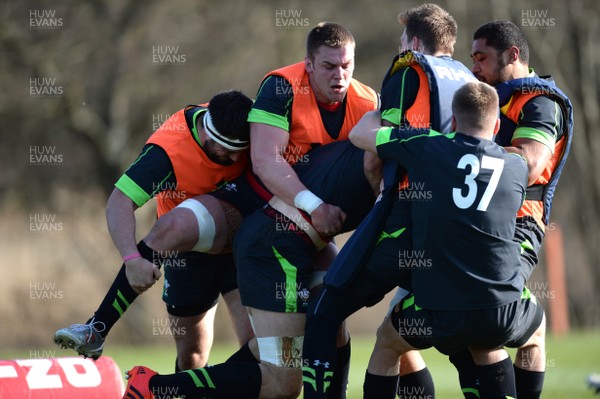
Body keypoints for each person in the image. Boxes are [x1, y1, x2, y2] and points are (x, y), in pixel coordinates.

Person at [121, 21, 380, 399]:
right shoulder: (281, 88)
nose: (340, 75)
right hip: (272, 244)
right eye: (328, 66)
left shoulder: (366, 106)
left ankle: (158, 387)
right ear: (308, 64)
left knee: (329, 324)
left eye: (347, 65)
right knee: (281, 380)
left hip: (307, 242)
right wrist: (316, 205)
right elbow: (264, 160)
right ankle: (156, 387)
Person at [301, 5, 476, 398]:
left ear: (414, 42)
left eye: (402, 40)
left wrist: (379, 194)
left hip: (406, 219)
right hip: (455, 228)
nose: (400, 47)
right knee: (429, 335)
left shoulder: (409, 69)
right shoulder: (469, 79)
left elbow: (377, 151)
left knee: (325, 308)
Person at [350, 81, 545, 398]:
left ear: (453, 122)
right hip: (501, 310)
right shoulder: (516, 167)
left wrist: (385, 109)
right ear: (496, 125)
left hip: (437, 310)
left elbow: (359, 134)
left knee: (387, 342)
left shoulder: (428, 146)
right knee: (535, 333)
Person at [54, 91, 256, 371]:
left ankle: (99, 330)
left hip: (241, 244)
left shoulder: (252, 124)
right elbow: (119, 201)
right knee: (192, 358)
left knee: (258, 349)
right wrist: (131, 259)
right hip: (186, 252)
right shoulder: (169, 150)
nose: (236, 158)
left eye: (241, 150)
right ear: (208, 134)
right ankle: (97, 330)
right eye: (227, 149)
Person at [446, 19, 574, 399]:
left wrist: (460, 150)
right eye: (472, 58)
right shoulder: (488, 97)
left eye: (482, 58)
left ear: (512, 55)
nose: (474, 67)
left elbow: (531, 162)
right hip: (471, 223)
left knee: (488, 318)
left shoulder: (541, 103)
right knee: (450, 322)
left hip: (518, 226)